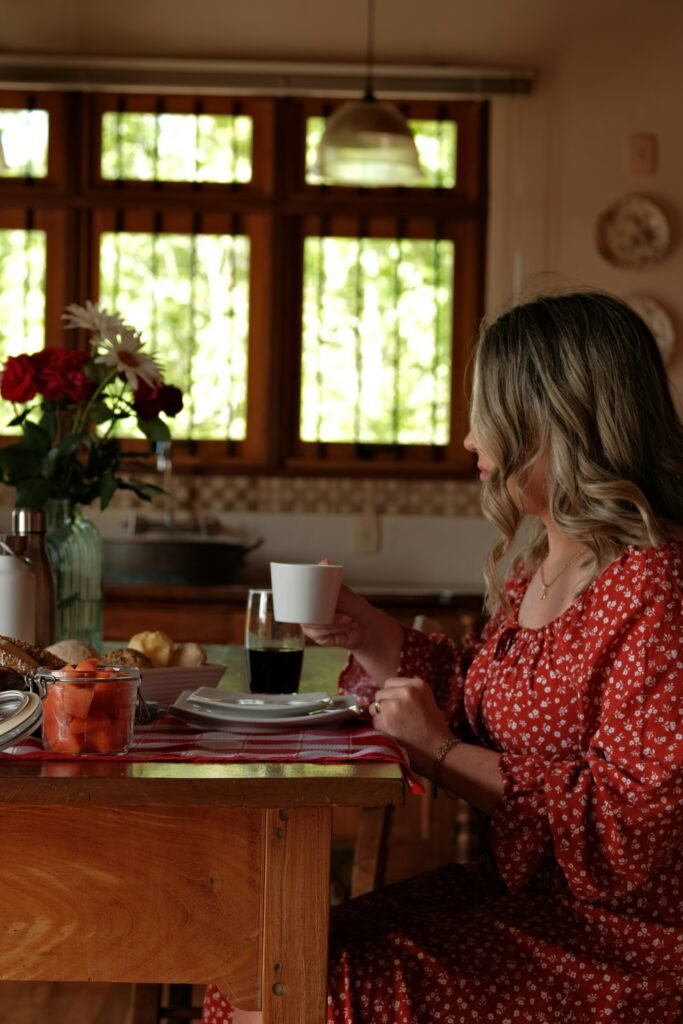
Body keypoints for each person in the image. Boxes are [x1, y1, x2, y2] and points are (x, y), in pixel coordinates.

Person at [203, 290, 683, 1024]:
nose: (468, 440)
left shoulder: (655, 585)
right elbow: (481, 695)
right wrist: (369, 633)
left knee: (313, 991)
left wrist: (439, 751)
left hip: (624, 937)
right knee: (258, 963)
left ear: (556, 423)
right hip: (520, 898)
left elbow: (630, 823)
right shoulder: (540, 565)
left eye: (486, 417)